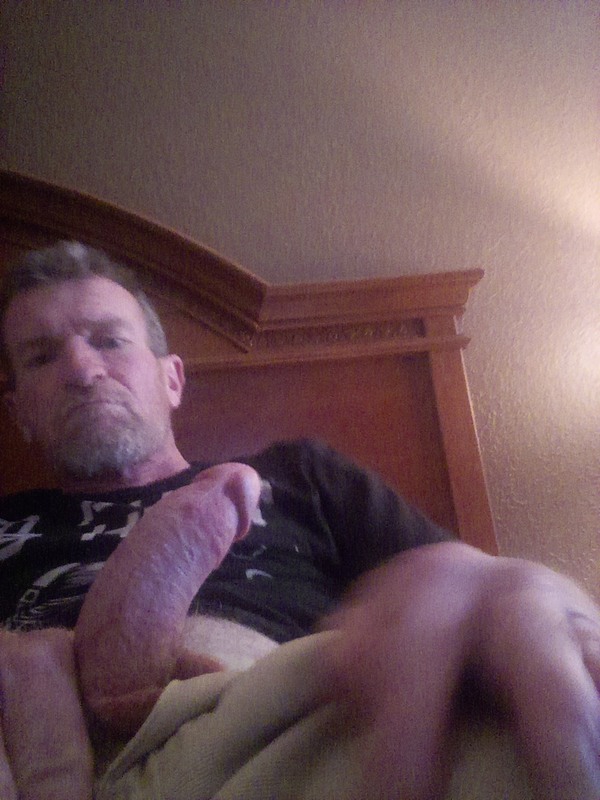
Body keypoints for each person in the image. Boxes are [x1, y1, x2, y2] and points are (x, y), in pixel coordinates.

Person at [0, 241, 598, 800]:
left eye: (109, 340)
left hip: (290, 726)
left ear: (172, 379)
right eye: (41, 357)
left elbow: (467, 598)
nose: (82, 371)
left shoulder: (299, 476)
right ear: (18, 411)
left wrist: (520, 598)